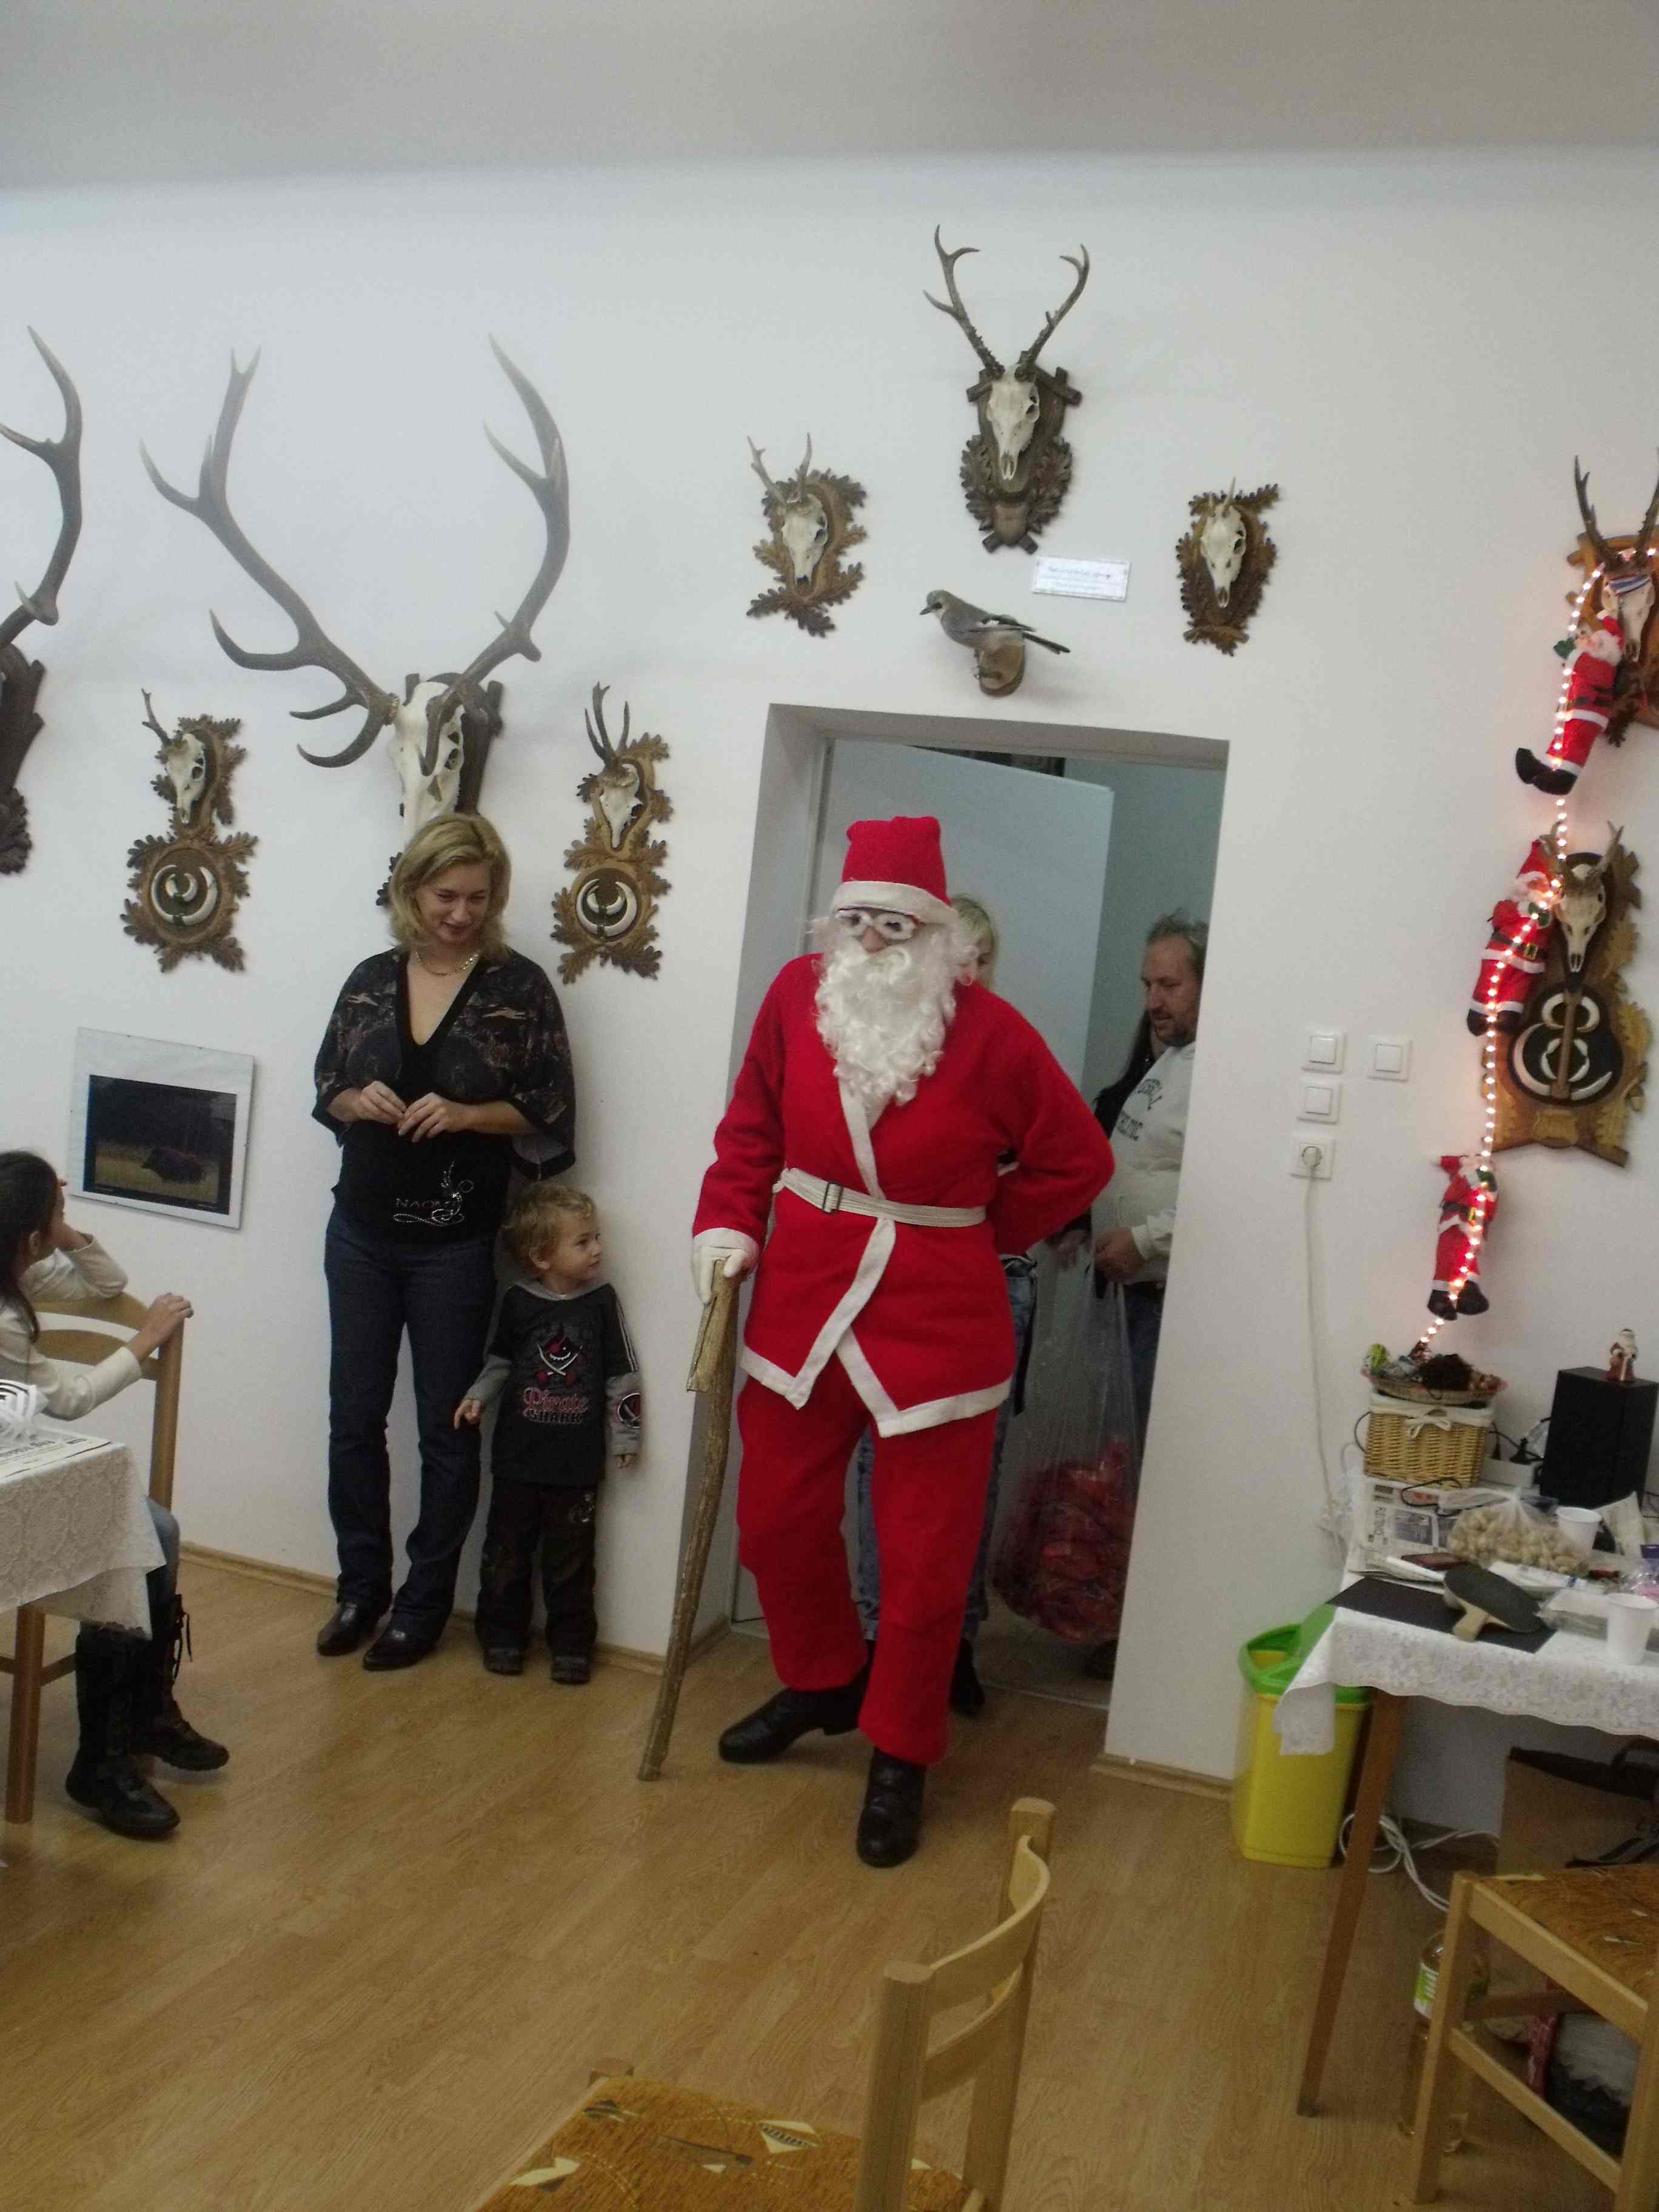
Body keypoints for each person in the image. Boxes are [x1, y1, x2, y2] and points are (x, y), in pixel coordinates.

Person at [692, 816, 1114, 1867]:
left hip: (939, 1322)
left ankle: (901, 1745)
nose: (876, 942)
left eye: (898, 925)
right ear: (835, 927)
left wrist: (983, 1230)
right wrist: (729, 1222)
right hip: (805, 1300)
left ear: (937, 934)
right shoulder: (795, 1000)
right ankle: (827, 1678)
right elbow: (749, 1129)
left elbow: (1078, 1161)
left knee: (924, 1564)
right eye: (860, 923)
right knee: (775, 1520)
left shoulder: (994, 1033)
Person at [311, 812, 575, 1671]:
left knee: (445, 1428)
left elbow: (548, 1108)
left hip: (456, 1244)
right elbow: (327, 1083)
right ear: (412, 891)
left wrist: (466, 1114)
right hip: (359, 1232)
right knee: (353, 1418)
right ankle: (360, 1588)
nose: (461, 914)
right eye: (445, 896)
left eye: (477, 898)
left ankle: (423, 1604)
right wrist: (356, 1101)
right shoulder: (368, 978)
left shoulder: (520, 987)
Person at [0, 1152, 227, 1840]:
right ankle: (107, 1754)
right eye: (56, 1213)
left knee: (156, 1528)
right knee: (143, 1531)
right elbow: (68, 1401)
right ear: (27, 1237)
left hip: (19, 1449)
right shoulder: (5, 1311)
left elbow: (109, 1283)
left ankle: (141, 1714)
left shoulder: (19, 1268)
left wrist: (63, 1231)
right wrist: (145, 1341)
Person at [850, 893, 1037, 1719]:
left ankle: (953, 1644)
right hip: (894, 1283)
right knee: (877, 1462)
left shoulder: (1007, 1048)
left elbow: (1059, 1160)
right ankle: (874, 1640)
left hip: (992, 1280)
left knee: (971, 1473)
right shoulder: (883, 1044)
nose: (969, 973)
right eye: (958, 955)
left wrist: (991, 1227)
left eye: (983, 959)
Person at [455, 1185, 640, 1684]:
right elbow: (500, 1361)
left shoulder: (602, 1302)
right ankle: (502, 1637)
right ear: (541, 1256)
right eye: (583, 1241)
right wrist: (477, 1395)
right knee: (506, 1554)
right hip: (517, 1460)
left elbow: (622, 1374)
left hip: (577, 1465)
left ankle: (572, 1646)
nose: (597, 1249)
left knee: (572, 1562)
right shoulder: (518, 1301)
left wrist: (626, 1436)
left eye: (596, 1237)